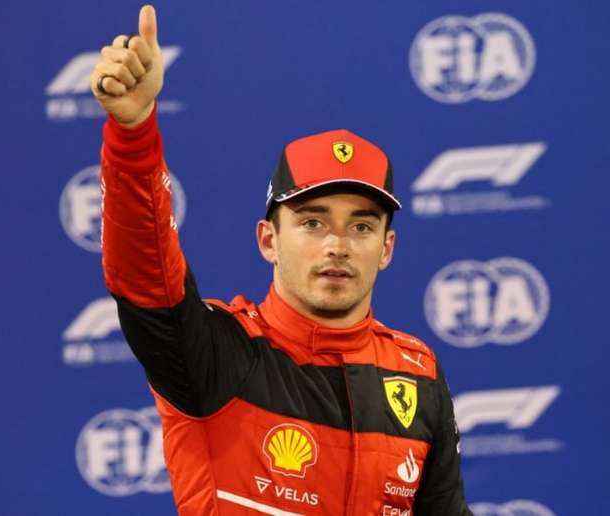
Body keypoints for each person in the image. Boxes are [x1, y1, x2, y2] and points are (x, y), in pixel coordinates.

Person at [90, 5, 471, 515]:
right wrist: (133, 135)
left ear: (386, 249)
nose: (337, 244)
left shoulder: (418, 374)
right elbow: (145, 273)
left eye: (361, 226)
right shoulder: (216, 355)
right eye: (312, 222)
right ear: (268, 240)